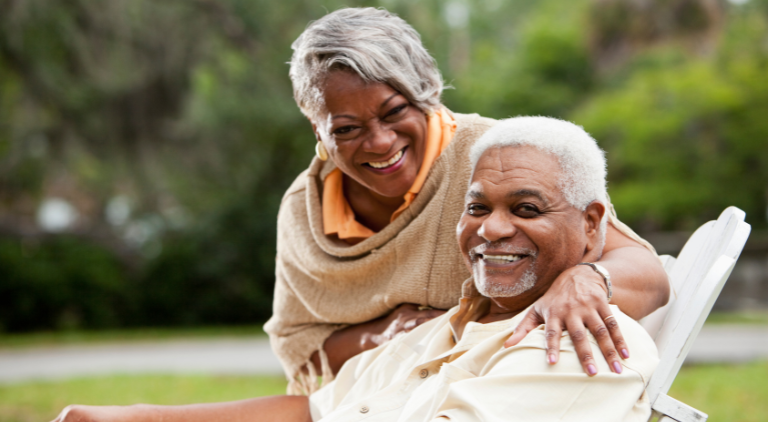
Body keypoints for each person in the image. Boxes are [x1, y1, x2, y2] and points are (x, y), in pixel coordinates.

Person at [54, 116, 659, 422]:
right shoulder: (442, 327)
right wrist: (133, 417)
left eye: (526, 209)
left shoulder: (582, 345)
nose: (492, 229)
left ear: (592, 225)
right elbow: (314, 411)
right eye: (477, 207)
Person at [266, 7, 668, 393]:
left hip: (497, 385)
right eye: (347, 129)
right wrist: (387, 334)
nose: (380, 142)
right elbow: (298, 342)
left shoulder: (499, 159)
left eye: (395, 111)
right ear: (317, 129)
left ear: (427, 93)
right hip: (374, 400)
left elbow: (645, 272)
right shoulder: (304, 208)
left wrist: (586, 278)